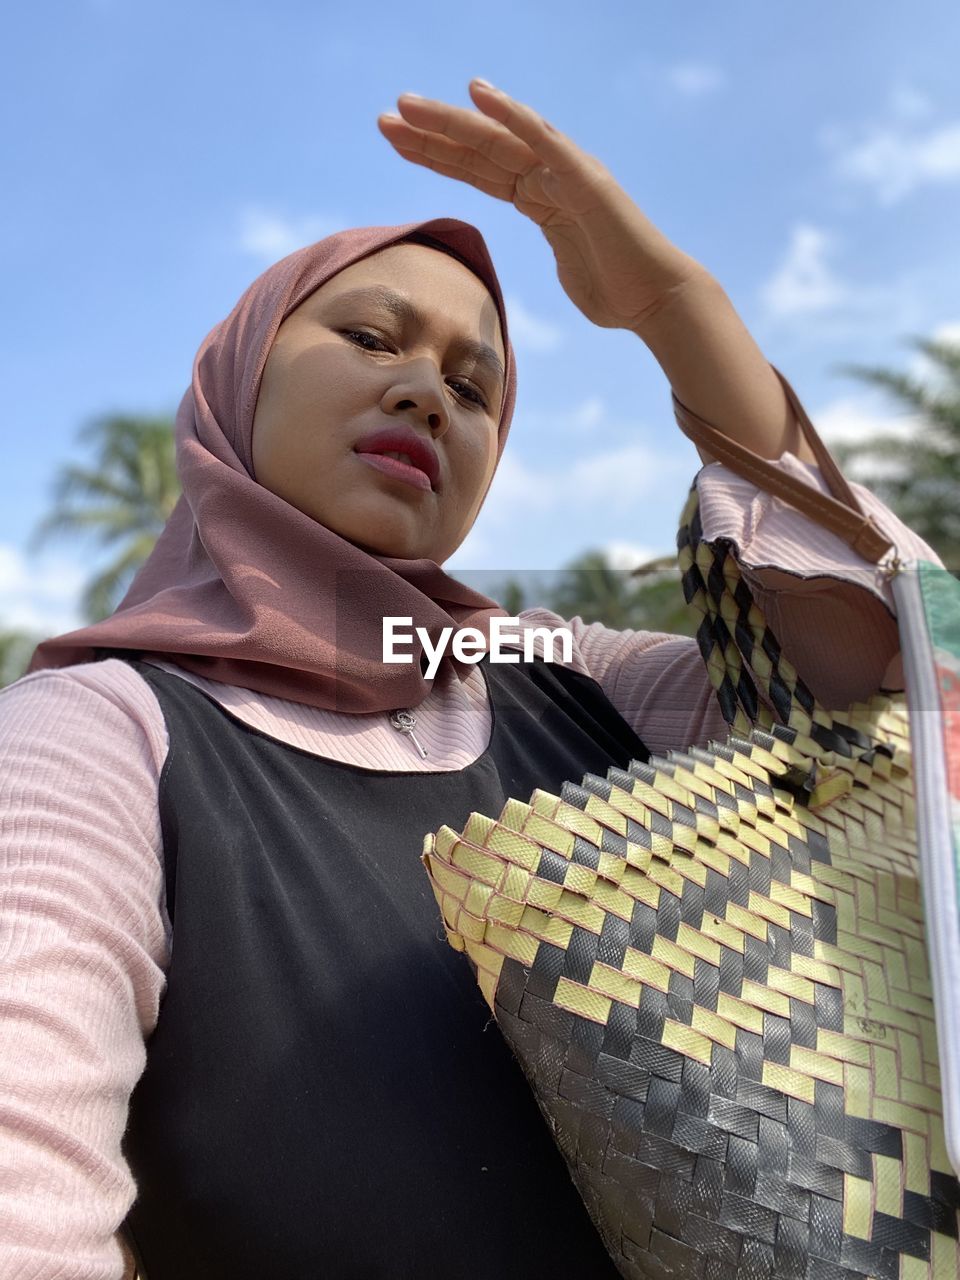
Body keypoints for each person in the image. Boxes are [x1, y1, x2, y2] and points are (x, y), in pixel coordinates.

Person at [0, 81, 938, 1279]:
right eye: (371, 338)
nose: (426, 393)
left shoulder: (560, 676)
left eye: (476, 385)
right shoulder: (98, 736)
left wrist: (675, 309)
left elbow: (902, 679)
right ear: (241, 375)